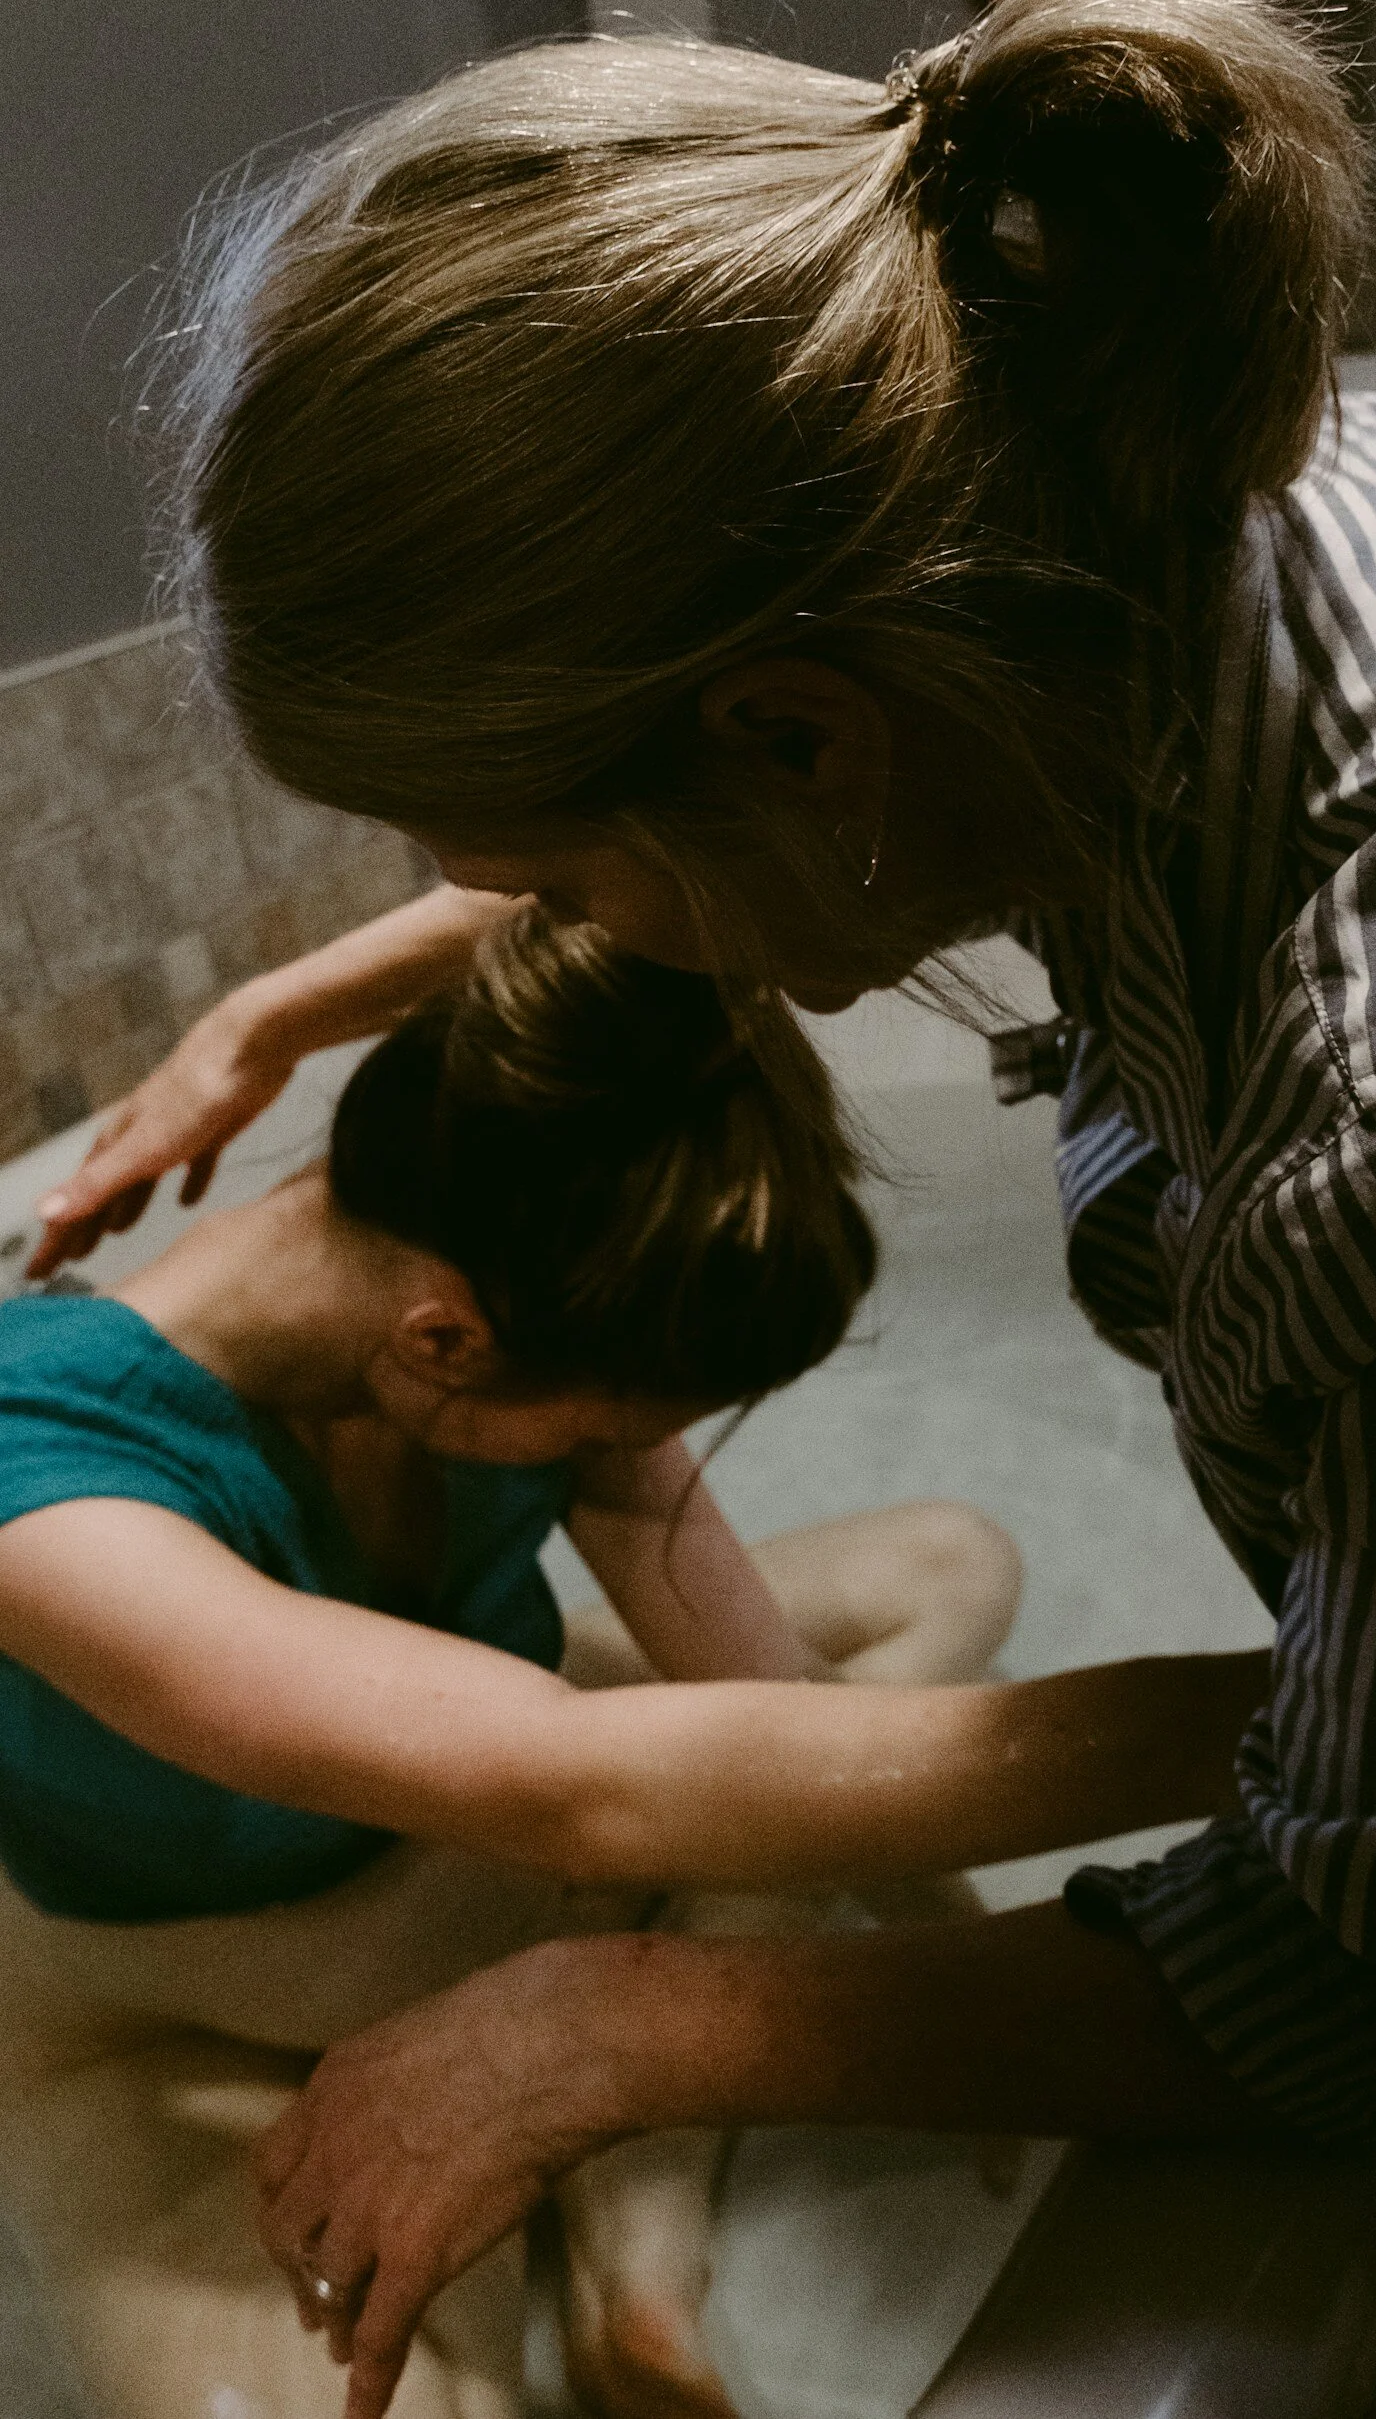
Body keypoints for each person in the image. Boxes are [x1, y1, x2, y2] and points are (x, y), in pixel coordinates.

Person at [30, 0, 1376, 2415]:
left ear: (803, 742)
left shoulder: (1367, 1106)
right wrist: (296, 997)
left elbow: (1360, 1962)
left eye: (551, 885)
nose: (543, 950)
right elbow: (594, 1774)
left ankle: (632, 2273)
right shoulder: (1171, 514)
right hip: (162, 1971)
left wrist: (632, 2011)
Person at [0, 898, 1024, 2419]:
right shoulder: (47, 1473)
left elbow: (758, 1703)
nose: (632, 1460)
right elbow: (590, 1789)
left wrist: (962, 1954)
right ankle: (610, 2185)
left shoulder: (521, 1258)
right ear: (439, 1346)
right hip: (186, 2018)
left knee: (948, 1565)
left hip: (516, 1851)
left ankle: (638, 2261)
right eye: (606, 1433)